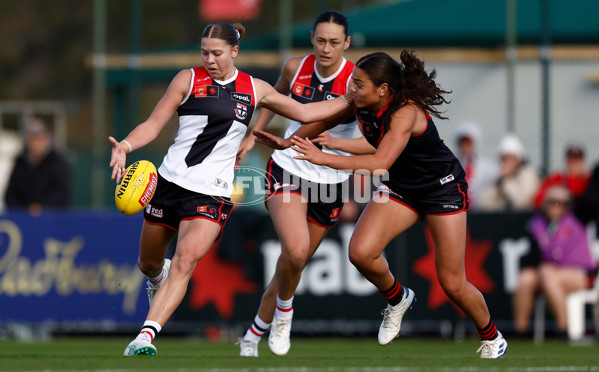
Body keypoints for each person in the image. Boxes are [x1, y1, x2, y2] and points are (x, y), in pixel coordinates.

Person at [108, 21, 353, 357]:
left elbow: (306, 111)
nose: (209, 59)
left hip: (213, 192)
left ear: (234, 52)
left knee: (185, 260)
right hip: (169, 183)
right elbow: (153, 124)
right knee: (148, 263)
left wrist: (353, 98)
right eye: (204, 52)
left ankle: (145, 336)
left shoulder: (255, 88)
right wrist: (125, 145)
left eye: (217, 53)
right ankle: (156, 278)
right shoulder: (187, 79)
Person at [254, 50, 508, 359]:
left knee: (452, 283)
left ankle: (493, 338)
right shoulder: (358, 101)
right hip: (403, 186)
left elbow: (379, 162)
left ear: (383, 89)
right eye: (352, 81)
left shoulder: (404, 112)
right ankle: (398, 298)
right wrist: (287, 142)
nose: (352, 87)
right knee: (360, 252)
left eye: (359, 83)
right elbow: (317, 120)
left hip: (441, 189)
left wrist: (324, 157)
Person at [235, 10, 360, 357]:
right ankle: (285, 314)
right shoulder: (295, 67)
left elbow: (371, 135)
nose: (326, 48)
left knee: (294, 263)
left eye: (335, 42)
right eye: (320, 40)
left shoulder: (355, 80)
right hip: (287, 165)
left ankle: (252, 334)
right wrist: (252, 136)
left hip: (330, 178)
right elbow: (273, 97)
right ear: (312, 38)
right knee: (294, 249)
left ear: (346, 43)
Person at [512, 185, 596, 336]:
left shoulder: (578, 217)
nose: (554, 206)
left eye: (559, 202)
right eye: (550, 202)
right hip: (550, 272)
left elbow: (592, 199)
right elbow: (533, 256)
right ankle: (520, 331)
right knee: (526, 278)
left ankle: (563, 328)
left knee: (548, 274)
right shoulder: (538, 223)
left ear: (567, 205)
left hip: (579, 273)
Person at [4, 118, 70, 213]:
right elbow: (11, 194)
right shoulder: (20, 163)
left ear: (46, 140)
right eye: (32, 139)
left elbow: (61, 194)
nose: (35, 144)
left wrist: (41, 208)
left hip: (51, 218)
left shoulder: (57, 163)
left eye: (39, 139)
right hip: (23, 218)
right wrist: (24, 211)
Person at [478, 134, 540, 212]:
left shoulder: (528, 174)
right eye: (505, 158)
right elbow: (484, 203)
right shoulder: (500, 177)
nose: (508, 162)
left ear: (519, 159)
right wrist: (499, 182)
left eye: (512, 158)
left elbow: (522, 203)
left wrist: (506, 181)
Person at [533, 142, 591, 212]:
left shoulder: (589, 180)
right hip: (561, 219)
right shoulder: (557, 178)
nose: (573, 163)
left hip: (584, 218)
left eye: (577, 159)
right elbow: (538, 201)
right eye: (570, 159)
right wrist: (558, 204)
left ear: (583, 161)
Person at [452, 121, 497, 211]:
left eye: (468, 143)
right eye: (462, 143)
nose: (465, 147)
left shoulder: (488, 168)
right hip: (458, 211)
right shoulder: (452, 165)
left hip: (481, 212)